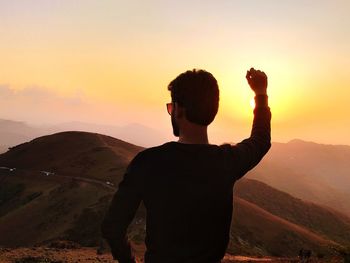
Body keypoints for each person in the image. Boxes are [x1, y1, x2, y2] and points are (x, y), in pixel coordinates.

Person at [101, 68, 271, 263]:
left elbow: (112, 227)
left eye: (171, 108)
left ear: (179, 109)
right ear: (212, 112)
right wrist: (260, 93)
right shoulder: (226, 162)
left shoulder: (147, 162)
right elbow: (260, 140)